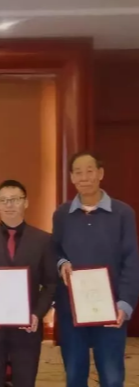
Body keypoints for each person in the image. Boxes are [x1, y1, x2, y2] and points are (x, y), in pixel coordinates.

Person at [53, 152, 139, 387]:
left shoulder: (123, 213)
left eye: (89, 171)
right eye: (78, 172)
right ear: (72, 177)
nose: (84, 177)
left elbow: (132, 260)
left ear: (100, 174)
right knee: (74, 375)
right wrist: (62, 264)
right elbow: (54, 251)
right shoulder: (62, 214)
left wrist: (125, 304)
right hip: (72, 310)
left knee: (112, 378)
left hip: (110, 309)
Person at [0, 180, 57, 387]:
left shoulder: (43, 240)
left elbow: (51, 283)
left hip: (27, 327)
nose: (9, 205)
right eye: (3, 200)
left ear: (26, 203)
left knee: (25, 380)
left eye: (15, 199)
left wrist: (37, 314)